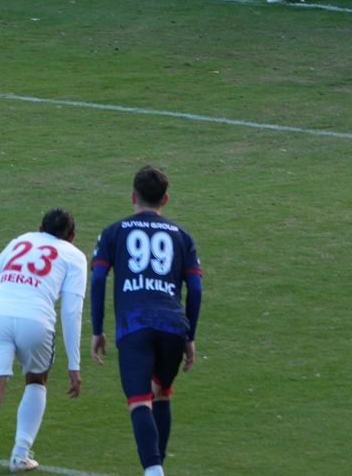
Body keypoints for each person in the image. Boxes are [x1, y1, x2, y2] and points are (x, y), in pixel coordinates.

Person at [90, 166, 202, 476]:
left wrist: (97, 329)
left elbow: (98, 279)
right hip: (173, 325)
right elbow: (195, 288)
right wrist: (189, 335)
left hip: (134, 325)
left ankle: (154, 470)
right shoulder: (183, 236)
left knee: (139, 400)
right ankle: (158, 467)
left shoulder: (113, 232)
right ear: (165, 198)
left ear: (132, 196)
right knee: (161, 391)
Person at [0, 209, 87, 476]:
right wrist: (74, 364)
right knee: (36, 381)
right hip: (35, 320)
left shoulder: (21, 240)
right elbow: (71, 312)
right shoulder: (74, 256)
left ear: (39, 227)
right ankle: (20, 454)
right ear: (73, 237)